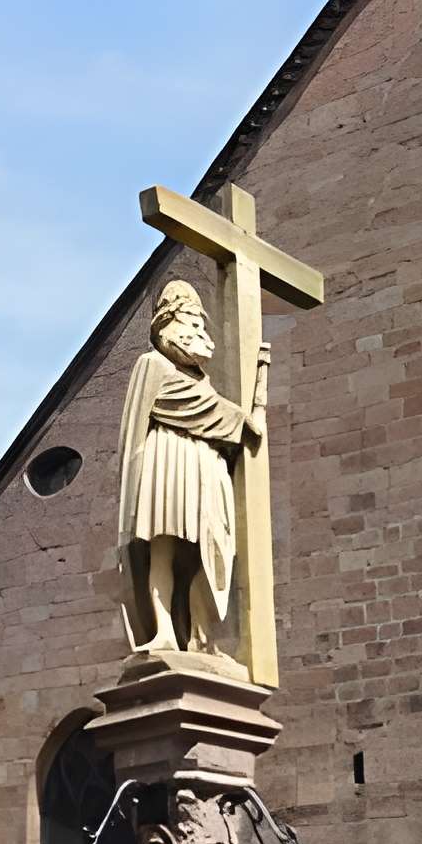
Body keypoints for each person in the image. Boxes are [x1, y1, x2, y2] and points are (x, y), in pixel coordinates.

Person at [117, 280, 270, 659]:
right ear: (167, 322)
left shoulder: (202, 377)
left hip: (203, 464)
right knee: (164, 550)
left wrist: (241, 420)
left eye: (198, 321)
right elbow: (185, 407)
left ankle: (202, 636)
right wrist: (240, 419)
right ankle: (164, 631)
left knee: (207, 551)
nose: (196, 329)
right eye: (186, 318)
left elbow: (212, 412)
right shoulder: (151, 364)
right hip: (166, 462)